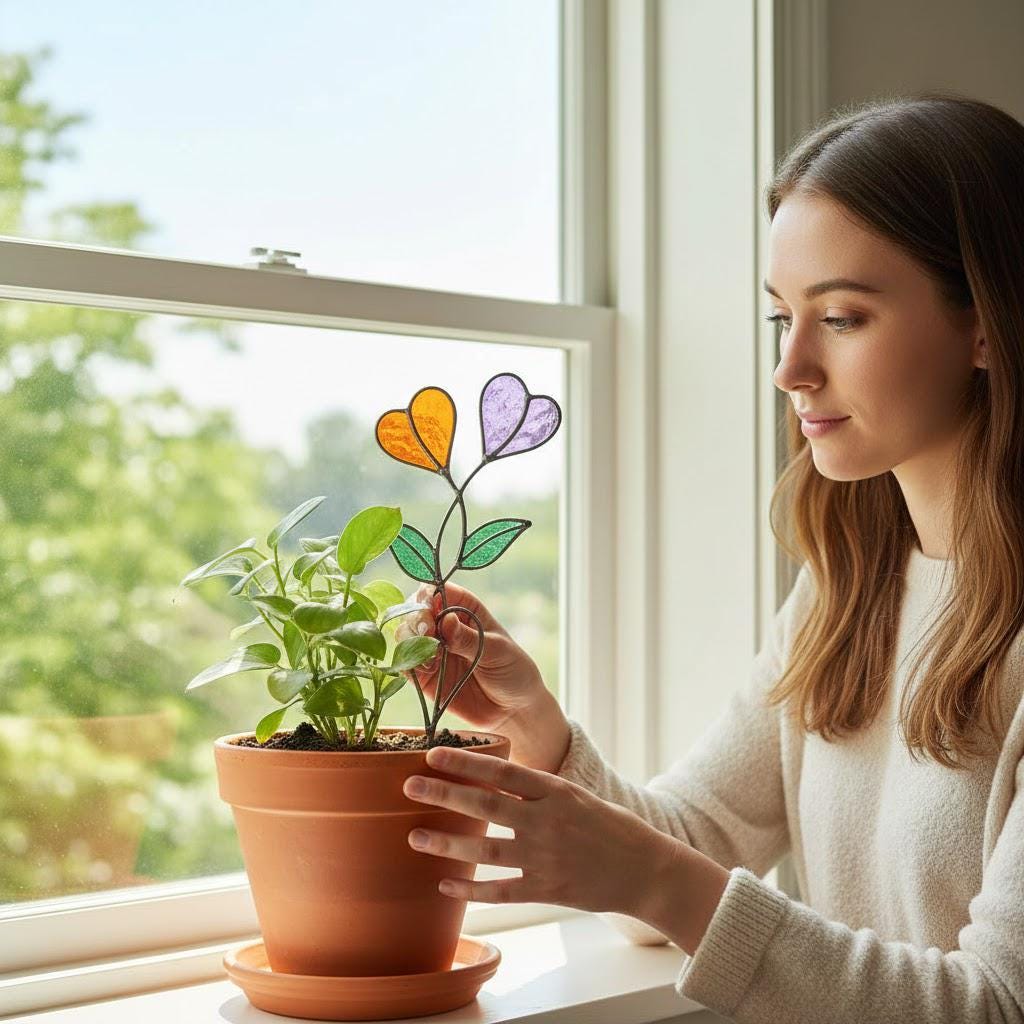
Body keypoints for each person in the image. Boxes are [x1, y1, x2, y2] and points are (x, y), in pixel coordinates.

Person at [397, 92, 1024, 1023]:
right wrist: (546, 739)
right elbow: (698, 841)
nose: (792, 368)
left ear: (987, 324)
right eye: (782, 319)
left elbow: (995, 1005)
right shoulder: (844, 593)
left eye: (843, 318)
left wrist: (659, 880)